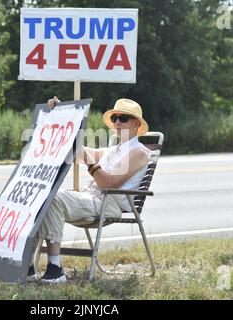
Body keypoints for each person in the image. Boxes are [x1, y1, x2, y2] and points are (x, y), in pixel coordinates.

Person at [29, 96, 151, 283]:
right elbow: (75, 150)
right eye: (114, 118)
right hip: (93, 197)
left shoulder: (139, 152)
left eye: (123, 118)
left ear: (136, 123)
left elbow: (108, 183)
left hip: (109, 202)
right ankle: (29, 266)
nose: (117, 122)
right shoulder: (113, 150)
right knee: (43, 194)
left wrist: (88, 158)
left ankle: (55, 269)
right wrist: (60, 115)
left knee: (53, 198)